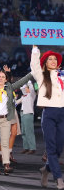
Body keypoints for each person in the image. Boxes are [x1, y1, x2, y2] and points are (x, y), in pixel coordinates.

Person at [31, 46, 64, 189]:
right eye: (50, 59)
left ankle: (46, 170)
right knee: (51, 148)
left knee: (58, 149)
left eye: (55, 59)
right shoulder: (41, 75)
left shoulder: (62, 76)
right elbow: (34, 65)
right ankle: (58, 178)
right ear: (45, 62)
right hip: (49, 114)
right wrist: (35, 50)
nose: (53, 61)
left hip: (62, 113)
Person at [16, 81, 37, 155]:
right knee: (24, 132)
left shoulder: (32, 95)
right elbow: (16, 103)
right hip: (22, 114)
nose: (24, 89)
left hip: (28, 114)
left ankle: (32, 148)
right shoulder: (23, 96)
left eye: (26, 88)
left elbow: (31, 87)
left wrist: (28, 82)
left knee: (29, 132)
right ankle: (26, 147)